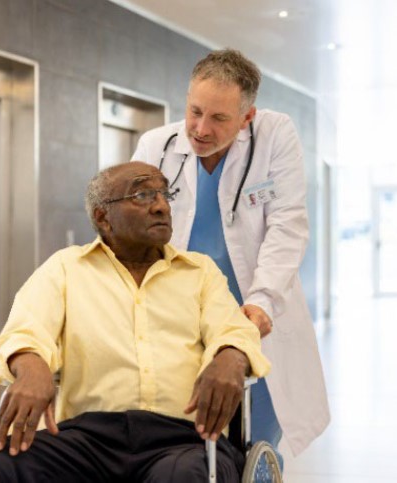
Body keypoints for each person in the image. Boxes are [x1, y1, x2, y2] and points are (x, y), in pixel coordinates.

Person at [0, 162, 270, 482]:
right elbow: (25, 329)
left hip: (184, 439)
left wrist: (231, 356)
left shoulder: (199, 272)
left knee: (182, 475)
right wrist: (30, 366)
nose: (160, 206)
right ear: (102, 217)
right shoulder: (66, 268)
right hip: (89, 438)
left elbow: (232, 327)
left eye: (165, 194)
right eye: (142, 194)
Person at [132, 48, 330, 459]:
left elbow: (287, 224)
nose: (200, 129)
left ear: (247, 117)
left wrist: (261, 303)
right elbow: (129, 230)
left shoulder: (274, 136)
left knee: (255, 442)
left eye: (219, 118)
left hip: (255, 316)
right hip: (180, 322)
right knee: (188, 447)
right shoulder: (157, 145)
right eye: (195, 111)